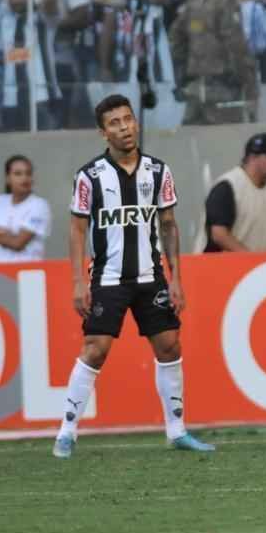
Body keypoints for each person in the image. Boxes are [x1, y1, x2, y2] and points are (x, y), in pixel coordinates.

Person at [54, 93, 214, 458]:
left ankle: (176, 431)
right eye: (115, 123)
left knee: (170, 345)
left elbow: (169, 224)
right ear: (102, 133)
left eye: (128, 119)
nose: (125, 127)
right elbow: (77, 229)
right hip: (108, 277)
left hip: (150, 275)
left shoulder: (158, 171)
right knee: (96, 350)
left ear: (136, 123)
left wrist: (176, 278)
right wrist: (78, 281)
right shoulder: (89, 176)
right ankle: (66, 432)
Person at [169, 0, 258, 125]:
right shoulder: (226, 4)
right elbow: (237, 49)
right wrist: (251, 90)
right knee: (226, 150)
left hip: (194, 91)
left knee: (191, 150)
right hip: (223, 94)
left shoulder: (193, 2)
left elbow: (176, 42)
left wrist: (182, 78)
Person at [202, 132, 266, 253]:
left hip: (255, 269)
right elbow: (218, 234)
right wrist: (251, 261)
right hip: (220, 269)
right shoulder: (228, 186)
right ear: (252, 158)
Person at [0, 0, 62, 132]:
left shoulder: (43, 18)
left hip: (42, 96)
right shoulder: (5, 19)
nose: (17, 0)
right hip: (10, 99)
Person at [0, 154, 50, 262]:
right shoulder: (0, 201)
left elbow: (18, 243)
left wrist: (7, 234)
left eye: (28, 173)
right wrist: (6, 235)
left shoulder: (39, 205)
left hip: (27, 273)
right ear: (8, 178)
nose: (24, 178)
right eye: (18, 174)